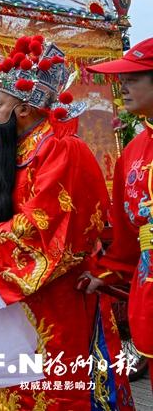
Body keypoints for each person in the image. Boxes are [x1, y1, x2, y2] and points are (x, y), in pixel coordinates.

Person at [0, 39, 129, 408]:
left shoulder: (61, 150)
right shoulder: (7, 155)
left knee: (47, 389)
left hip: (54, 299)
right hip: (6, 294)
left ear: (24, 108)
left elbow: (51, 225)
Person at [83, 38, 153, 388]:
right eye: (121, 79)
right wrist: (104, 274)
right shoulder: (133, 152)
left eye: (133, 79)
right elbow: (127, 237)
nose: (122, 88)